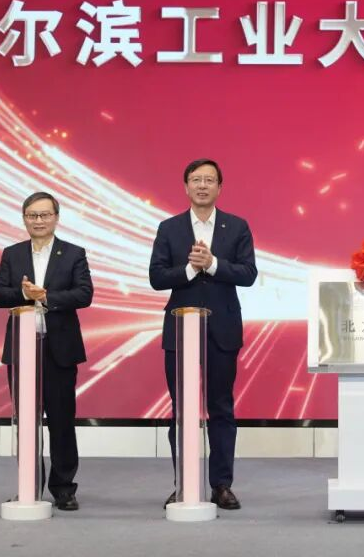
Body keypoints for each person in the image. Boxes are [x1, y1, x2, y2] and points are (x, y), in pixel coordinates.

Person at [150, 159, 257, 510]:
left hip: (222, 330)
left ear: (219, 187)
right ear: (186, 187)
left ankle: (221, 485)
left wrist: (212, 264)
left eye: (209, 180)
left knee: (221, 408)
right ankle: (183, 483)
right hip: (179, 330)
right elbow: (156, 277)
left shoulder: (237, 226)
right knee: (181, 410)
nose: (202, 185)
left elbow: (248, 273)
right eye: (196, 180)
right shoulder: (169, 228)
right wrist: (188, 270)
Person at [0, 191, 93, 511]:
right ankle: (29, 486)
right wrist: (24, 295)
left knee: (62, 420)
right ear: (24, 219)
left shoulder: (73, 253)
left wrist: (46, 297)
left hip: (58, 348)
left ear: (56, 218)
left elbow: (84, 294)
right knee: (26, 420)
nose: (39, 221)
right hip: (22, 349)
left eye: (45, 215)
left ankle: (64, 488)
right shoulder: (12, 253)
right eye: (32, 215)